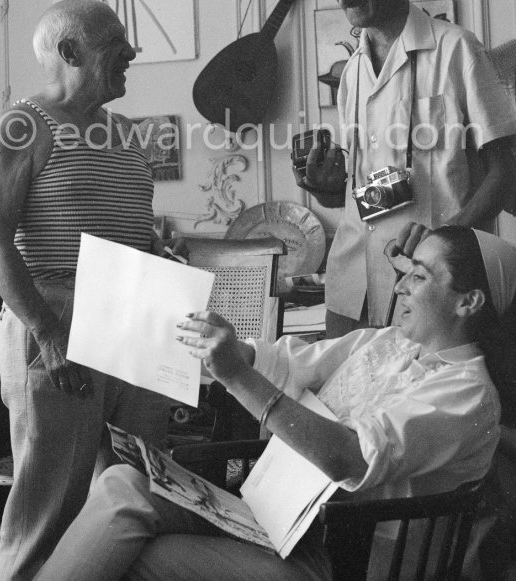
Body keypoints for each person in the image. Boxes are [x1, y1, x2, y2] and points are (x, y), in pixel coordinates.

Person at [33, 225, 516, 581]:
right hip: (277, 522)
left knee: (137, 555)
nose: (401, 285)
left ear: (468, 301)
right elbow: (290, 362)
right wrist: (222, 347)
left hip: (343, 558)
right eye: (406, 272)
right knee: (121, 482)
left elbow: (349, 457)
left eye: (421, 276)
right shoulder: (385, 343)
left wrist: (237, 375)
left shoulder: (467, 393)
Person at [0, 0, 183, 581]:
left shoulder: (126, 133)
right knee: (49, 507)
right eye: (116, 41)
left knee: (141, 488)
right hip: (59, 320)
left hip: (135, 317)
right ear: (70, 52)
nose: (133, 52)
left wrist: (160, 259)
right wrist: (46, 332)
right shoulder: (23, 125)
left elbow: (125, 230)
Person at [294, 0, 516, 338]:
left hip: (429, 290)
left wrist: (445, 241)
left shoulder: (456, 50)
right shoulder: (352, 73)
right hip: (350, 287)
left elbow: (503, 173)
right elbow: (376, 194)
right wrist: (328, 187)